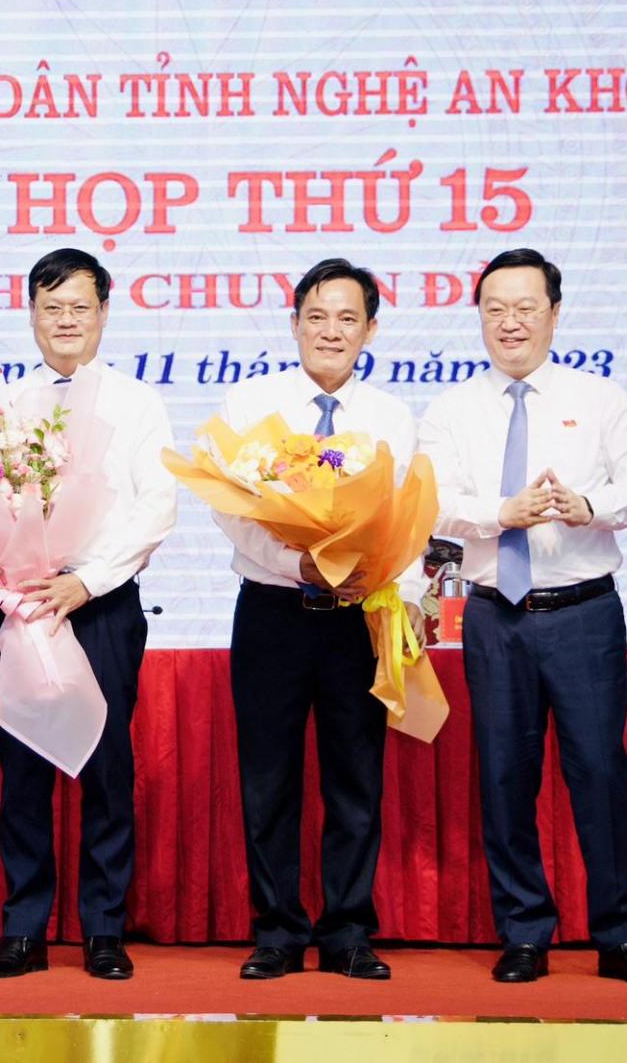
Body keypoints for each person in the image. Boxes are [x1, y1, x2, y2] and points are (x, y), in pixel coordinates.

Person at [416, 248, 627, 986]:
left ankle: (620, 935)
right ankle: (524, 932)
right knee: (505, 775)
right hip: (494, 616)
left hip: (582, 614)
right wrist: (501, 512)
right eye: (495, 309)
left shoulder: (599, 398)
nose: (510, 322)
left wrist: (591, 505)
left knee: (599, 771)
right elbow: (429, 502)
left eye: (525, 307)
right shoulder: (452, 408)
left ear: (554, 314)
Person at [0, 247, 178, 980]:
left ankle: (103, 928)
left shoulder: (136, 402)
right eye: (51, 307)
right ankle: (24, 928)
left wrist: (86, 580)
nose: (65, 320)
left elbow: (156, 509)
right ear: (31, 314)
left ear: (104, 313)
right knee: (22, 768)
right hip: (22, 606)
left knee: (106, 767)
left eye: (79, 307)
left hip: (100, 606)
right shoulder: (3, 404)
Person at [210, 258, 425, 981]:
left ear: (371, 329)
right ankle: (276, 931)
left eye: (347, 318)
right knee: (267, 779)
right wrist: (292, 561)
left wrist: (406, 591)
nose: (331, 331)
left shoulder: (391, 416)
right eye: (317, 317)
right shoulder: (252, 405)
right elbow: (232, 511)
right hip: (273, 610)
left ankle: (348, 931)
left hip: (357, 615)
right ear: (295, 322)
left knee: (355, 778)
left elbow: (411, 517)